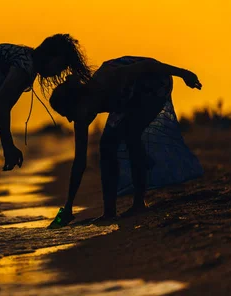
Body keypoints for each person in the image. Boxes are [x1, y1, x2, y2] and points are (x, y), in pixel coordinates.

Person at [0, 34, 92, 234]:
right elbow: (1, 105)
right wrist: (8, 147)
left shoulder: (25, 60)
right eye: (61, 66)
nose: (59, 72)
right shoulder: (25, 65)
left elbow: (1, 103)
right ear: (52, 57)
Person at [47, 56, 203, 228]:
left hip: (155, 82)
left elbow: (149, 66)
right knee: (107, 146)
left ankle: (139, 203)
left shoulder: (106, 79)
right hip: (126, 98)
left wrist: (184, 74)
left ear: (80, 100)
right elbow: (79, 162)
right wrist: (68, 207)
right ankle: (109, 211)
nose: (69, 120)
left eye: (68, 113)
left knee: (131, 134)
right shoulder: (82, 116)